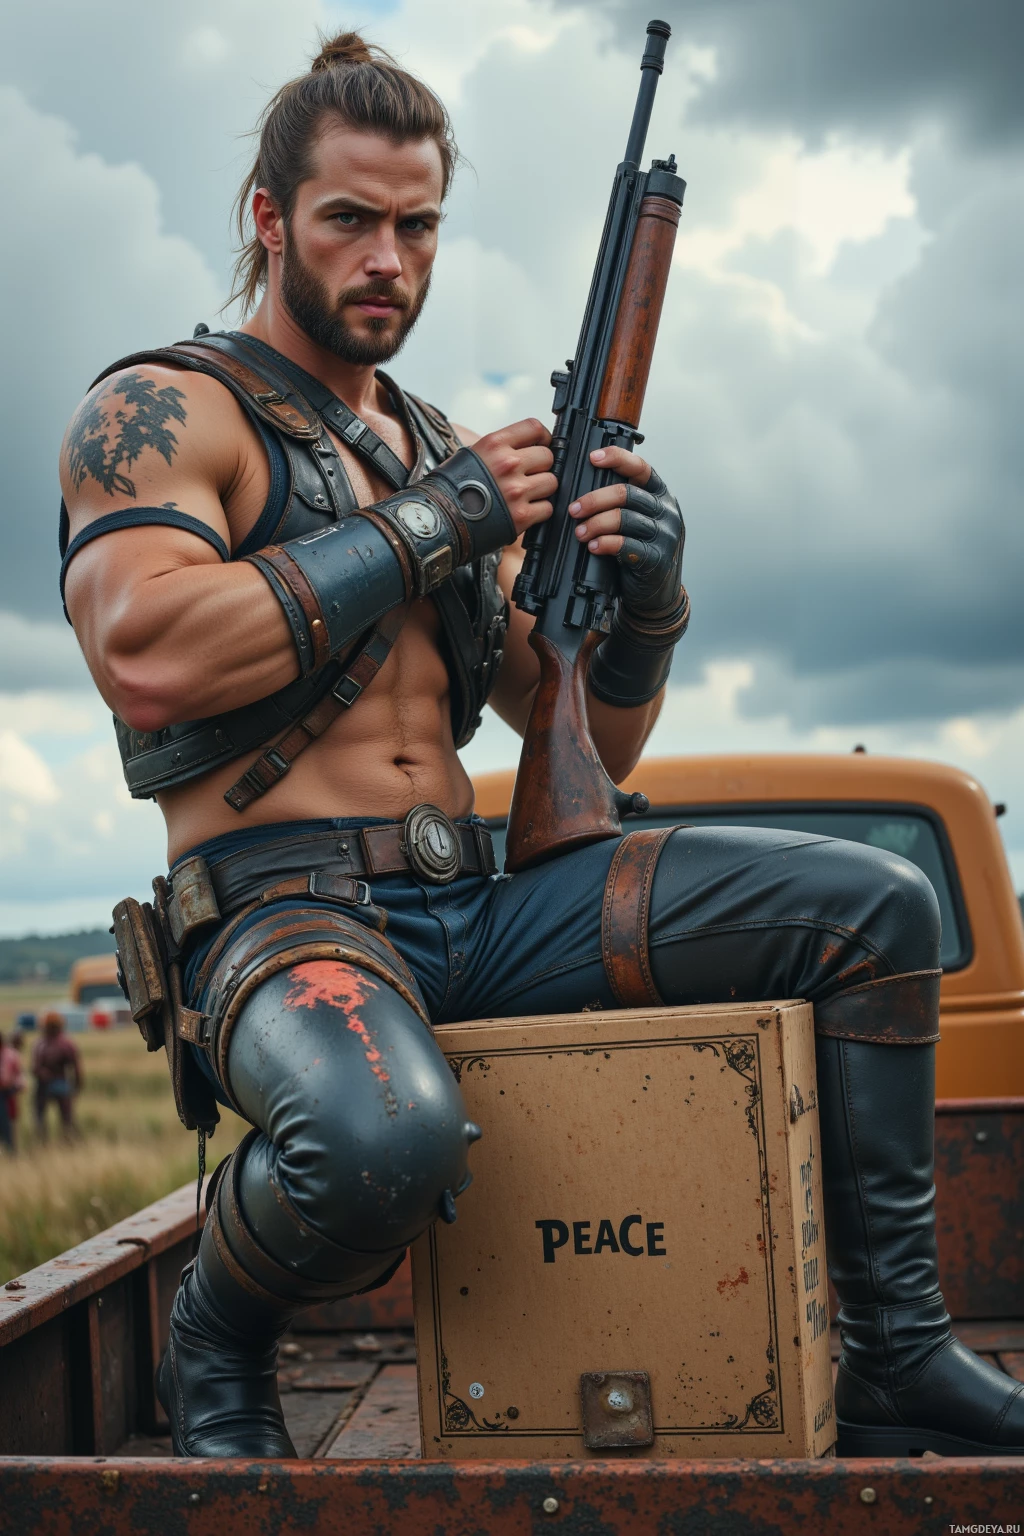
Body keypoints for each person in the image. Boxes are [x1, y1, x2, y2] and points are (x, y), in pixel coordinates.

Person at [58, 33, 1022, 1459]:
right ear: (270, 219)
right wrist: (437, 524)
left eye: (418, 224)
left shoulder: (432, 443)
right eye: (350, 221)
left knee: (873, 910)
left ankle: (892, 1350)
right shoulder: (164, 411)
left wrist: (647, 599)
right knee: (377, 1146)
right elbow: (148, 655)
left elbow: (584, 726)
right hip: (289, 915)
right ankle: (218, 1326)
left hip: (481, 909)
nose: (389, 257)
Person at [31, 1013, 83, 1142]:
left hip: (55, 1083)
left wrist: (76, 1086)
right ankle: (59, 1140)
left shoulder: (41, 1044)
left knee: (45, 1117)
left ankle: (55, 1140)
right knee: (63, 1117)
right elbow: (76, 1068)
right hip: (54, 1083)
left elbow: (76, 1068)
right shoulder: (65, 1043)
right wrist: (77, 1086)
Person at [0, 1030, 26, 1152]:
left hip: (7, 1093)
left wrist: (16, 1086)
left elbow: (19, 1077)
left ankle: (11, 1153)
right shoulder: (12, 1054)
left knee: (9, 1125)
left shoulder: (11, 1055)